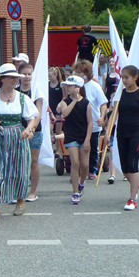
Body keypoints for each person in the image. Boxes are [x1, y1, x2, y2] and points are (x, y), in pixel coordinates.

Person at [0, 63, 39, 223]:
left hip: (18, 137)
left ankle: (20, 201)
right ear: (2, 79)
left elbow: (33, 117)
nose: (15, 80)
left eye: (16, 78)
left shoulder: (22, 98)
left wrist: (29, 129)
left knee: (19, 170)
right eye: (12, 78)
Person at [111, 65, 139, 211]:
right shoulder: (120, 94)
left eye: (126, 77)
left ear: (135, 77)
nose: (124, 80)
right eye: (122, 77)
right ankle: (136, 184)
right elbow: (113, 115)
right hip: (122, 133)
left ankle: (132, 197)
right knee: (125, 168)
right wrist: (107, 131)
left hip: (136, 133)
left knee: (133, 164)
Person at [57, 76, 92, 204]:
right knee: (75, 162)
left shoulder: (86, 103)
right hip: (71, 135)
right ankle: (75, 191)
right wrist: (74, 101)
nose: (67, 88)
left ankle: (82, 182)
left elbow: (90, 122)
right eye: (67, 86)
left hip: (83, 135)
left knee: (85, 165)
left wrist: (88, 139)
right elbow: (65, 113)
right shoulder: (65, 101)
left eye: (70, 86)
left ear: (77, 88)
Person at [73, 60, 108, 180]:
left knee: (92, 146)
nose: (77, 75)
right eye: (76, 72)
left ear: (86, 73)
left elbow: (103, 104)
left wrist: (102, 117)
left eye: (80, 72)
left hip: (93, 123)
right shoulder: (74, 87)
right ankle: (77, 171)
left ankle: (92, 168)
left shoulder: (94, 86)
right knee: (78, 148)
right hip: (78, 123)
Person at [17, 63, 44, 202]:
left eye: (29, 74)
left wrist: (32, 129)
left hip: (34, 130)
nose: (27, 77)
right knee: (18, 161)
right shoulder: (16, 90)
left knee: (33, 161)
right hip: (18, 130)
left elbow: (38, 113)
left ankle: (33, 191)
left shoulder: (36, 91)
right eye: (24, 74)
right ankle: (18, 190)